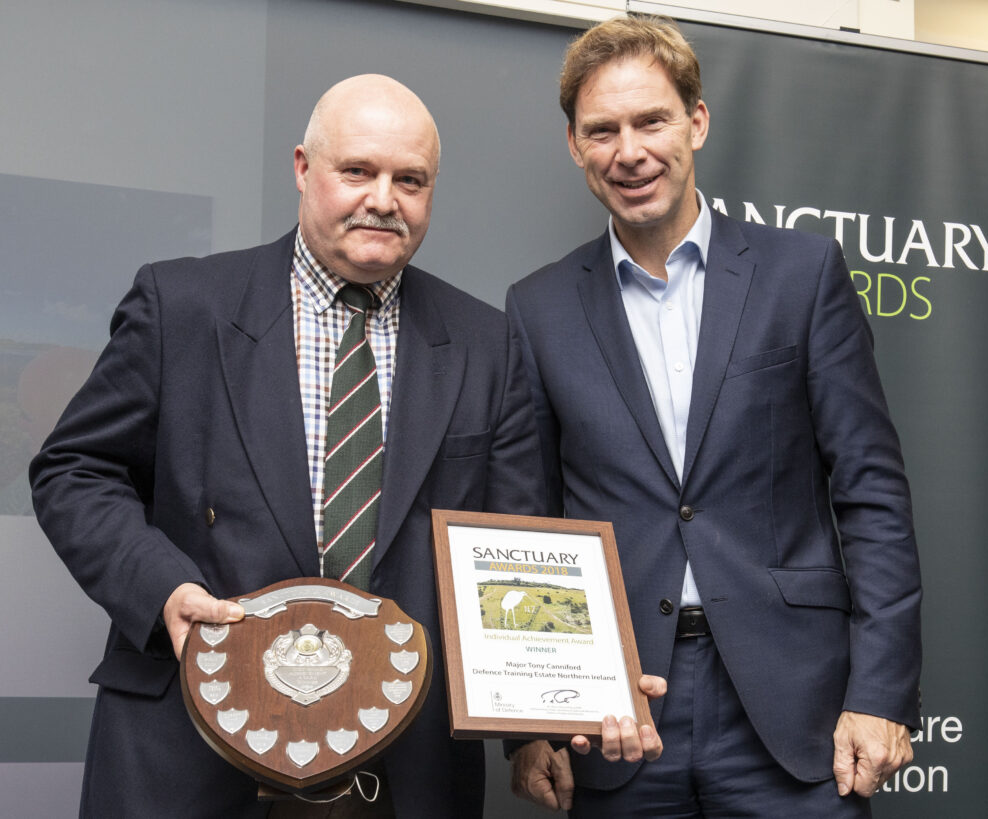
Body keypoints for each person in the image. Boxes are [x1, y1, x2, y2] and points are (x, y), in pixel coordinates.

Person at [31, 74, 550, 818]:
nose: (384, 199)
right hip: (192, 748)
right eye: (358, 171)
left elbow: (514, 550)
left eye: (411, 179)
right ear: (304, 168)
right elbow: (74, 469)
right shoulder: (182, 305)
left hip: (401, 769)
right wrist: (165, 592)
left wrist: (553, 709)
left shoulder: (486, 343)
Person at [506, 16, 922, 817]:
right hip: (618, 717)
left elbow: (872, 493)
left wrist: (881, 689)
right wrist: (531, 724)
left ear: (696, 121)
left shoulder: (802, 274)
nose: (629, 151)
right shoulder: (538, 308)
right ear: (574, 147)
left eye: (651, 120)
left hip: (794, 708)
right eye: (603, 130)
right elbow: (527, 527)